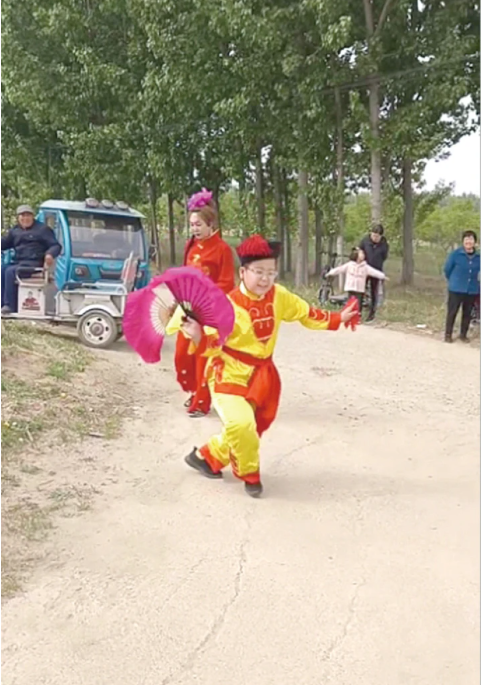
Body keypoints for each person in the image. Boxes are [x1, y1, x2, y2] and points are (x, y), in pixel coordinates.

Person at [179, 234, 359, 498]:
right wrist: (197, 335)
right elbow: (212, 342)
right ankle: (250, 474)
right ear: (243, 272)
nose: (265, 279)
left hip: (260, 376)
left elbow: (305, 313)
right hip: (228, 375)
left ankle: (206, 457)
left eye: (271, 273)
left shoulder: (279, 296)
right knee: (242, 424)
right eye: (258, 272)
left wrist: (337, 318)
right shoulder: (226, 305)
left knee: (245, 427)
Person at [175, 189, 235, 417]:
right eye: (192, 225)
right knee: (182, 354)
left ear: (210, 224)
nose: (195, 229)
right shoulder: (190, 246)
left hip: (209, 312)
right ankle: (194, 390)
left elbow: (227, 283)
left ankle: (201, 402)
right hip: (188, 309)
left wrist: (206, 296)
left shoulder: (222, 250)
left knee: (203, 357)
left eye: (198, 224)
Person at [1, 205, 61, 314]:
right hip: (19, 262)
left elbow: (55, 246)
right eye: (22, 216)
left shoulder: (42, 229)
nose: (25, 218)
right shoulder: (15, 231)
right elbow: (5, 243)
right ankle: (2, 304)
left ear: (33, 216)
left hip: (34, 264)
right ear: (18, 217)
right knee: (2, 269)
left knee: (10, 271)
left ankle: (9, 306)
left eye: (28, 215)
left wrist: (50, 254)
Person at [444, 230, 480, 343]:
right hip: (456, 288)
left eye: (471, 239)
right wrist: (453, 280)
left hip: (471, 289)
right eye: (466, 239)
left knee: (467, 313)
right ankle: (448, 334)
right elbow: (447, 269)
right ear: (463, 241)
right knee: (452, 312)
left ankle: (463, 334)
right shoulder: (455, 254)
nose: (468, 242)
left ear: (475, 242)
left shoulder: (478, 256)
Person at [326, 247, 388, 312]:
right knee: (350, 303)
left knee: (358, 304)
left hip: (359, 289)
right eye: (361, 254)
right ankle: (349, 314)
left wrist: (383, 276)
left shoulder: (365, 267)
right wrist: (330, 273)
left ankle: (358, 314)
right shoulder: (349, 265)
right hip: (350, 287)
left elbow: (374, 272)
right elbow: (339, 269)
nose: (363, 255)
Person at [359, 224, 389, 322]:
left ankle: (372, 313)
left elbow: (384, 256)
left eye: (377, 236)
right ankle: (358, 311)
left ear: (381, 236)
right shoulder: (365, 241)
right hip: (364, 268)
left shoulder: (384, 244)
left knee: (374, 291)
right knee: (360, 290)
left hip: (376, 269)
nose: (375, 238)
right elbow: (360, 250)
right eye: (373, 235)